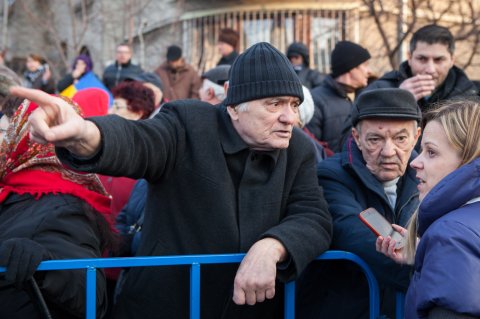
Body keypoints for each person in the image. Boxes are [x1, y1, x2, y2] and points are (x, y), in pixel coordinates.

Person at [12, 41, 332, 319]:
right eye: (274, 104)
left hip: (250, 312)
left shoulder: (297, 148)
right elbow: (138, 142)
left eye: (293, 104)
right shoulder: (188, 124)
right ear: (234, 107)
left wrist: (272, 246)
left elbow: (313, 215)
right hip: (164, 306)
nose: (290, 117)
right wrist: (84, 133)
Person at [297, 88, 422, 319]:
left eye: (401, 139)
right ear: (356, 137)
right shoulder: (330, 175)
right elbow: (360, 239)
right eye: (375, 139)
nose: (388, 151)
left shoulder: (427, 176)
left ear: (416, 137)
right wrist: (439, 268)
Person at [0, 95, 114, 318]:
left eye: (6, 132)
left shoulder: (63, 205)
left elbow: (91, 294)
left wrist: (46, 263)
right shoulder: (11, 190)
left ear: (28, 140)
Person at [376, 98, 480, 319]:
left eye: (431, 152)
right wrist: (422, 254)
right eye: (421, 150)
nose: (415, 162)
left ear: (468, 160)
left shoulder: (451, 235)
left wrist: (442, 249)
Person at [366, 24, 477, 112]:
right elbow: (354, 136)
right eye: (422, 59)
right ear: (409, 57)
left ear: (452, 60)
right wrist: (397, 101)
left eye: (439, 60)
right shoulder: (379, 90)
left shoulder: (471, 96)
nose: (430, 69)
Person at [306, 40, 371, 153]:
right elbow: (311, 150)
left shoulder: (364, 96)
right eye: (365, 65)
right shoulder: (315, 101)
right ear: (351, 68)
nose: (369, 71)